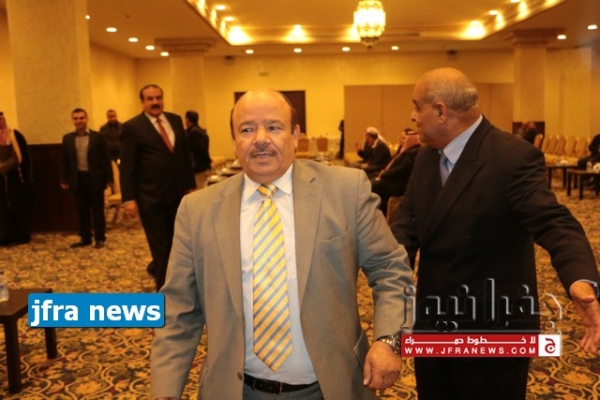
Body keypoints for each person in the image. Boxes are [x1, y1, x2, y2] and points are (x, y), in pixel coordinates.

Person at [150, 88, 414, 400]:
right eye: (247, 129)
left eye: (274, 127)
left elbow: (390, 269)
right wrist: (164, 392)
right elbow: (178, 310)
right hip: (236, 391)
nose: (260, 139)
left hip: (333, 387)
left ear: (295, 134)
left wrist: (389, 340)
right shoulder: (197, 210)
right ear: (234, 140)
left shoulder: (346, 191)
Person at [390, 67, 600, 400]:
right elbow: (406, 226)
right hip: (434, 321)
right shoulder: (425, 158)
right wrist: (385, 278)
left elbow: (555, 222)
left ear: (441, 111)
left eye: (417, 107)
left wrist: (580, 279)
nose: (412, 116)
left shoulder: (512, 156)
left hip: (493, 328)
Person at [120, 84, 195, 290]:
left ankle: (176, 280)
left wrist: (190, 187)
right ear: (142, 102)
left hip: (177, 195)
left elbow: (183, 156)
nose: (155, 102)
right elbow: (127, 166)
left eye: (158, 97)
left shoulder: (175, 120)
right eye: (150, 99)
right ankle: (165, 290)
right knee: (160, 247)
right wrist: (129, 199)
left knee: (178, 243)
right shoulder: (132, 127)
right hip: (150, 198)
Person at [59, 108, 113, 249]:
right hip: (77, 179)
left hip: (95, 178)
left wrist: (109, 179)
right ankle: (85, 238)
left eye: (81, 118)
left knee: (97, 211)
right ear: (72, 121)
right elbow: (64, 161)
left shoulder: (98, 137)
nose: (79, 121)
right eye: (76, 118)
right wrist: (63, 179)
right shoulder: (67, 139)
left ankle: (100, 238)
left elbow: (106, 159)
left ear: (87, 119)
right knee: (82, 211)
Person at [0, 112, 35, 246]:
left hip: (14, 179)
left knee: (15, 205)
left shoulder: (13, 135)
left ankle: (19, 235)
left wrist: (2, 168)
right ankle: (4, 236)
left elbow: (17, 158)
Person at [371, 128, 420, 216]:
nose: (403, 140)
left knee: (373, 185)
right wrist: (383, 173)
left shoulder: (413, 152)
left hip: (400, 184)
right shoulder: (404, 149)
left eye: (405, 139)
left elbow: (401, 170)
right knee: (372, 181)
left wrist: (384, 174)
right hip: (393, 179)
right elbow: (392, 163)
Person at [184, 110, 212, 189]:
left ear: (187, 119)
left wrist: (208, 163)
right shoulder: (201, 131)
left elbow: (202, 150)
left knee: (200, 191)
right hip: (203, 167)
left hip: (199, 169)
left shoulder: (193, 133)